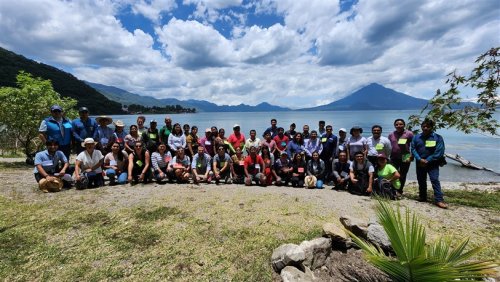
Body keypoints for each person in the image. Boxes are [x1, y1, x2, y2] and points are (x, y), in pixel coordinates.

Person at [411, 119, 447, 209]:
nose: (425, 128)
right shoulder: (416, 137)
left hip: (433, 163)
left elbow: (439, 151)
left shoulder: (438, 137)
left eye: (428, 126)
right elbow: (413, 148)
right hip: (419, 163)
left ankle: (439, 200)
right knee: (421, 180)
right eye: (423, 126)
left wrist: (428, 160)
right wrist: (419, 159)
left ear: (432, 127)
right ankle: (423, 197)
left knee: (434, 180)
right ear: (421, 127)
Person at [388, 119, 414, 194]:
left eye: (400, 124)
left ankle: (399, 190)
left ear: (404, 125)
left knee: (402, 174)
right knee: (393, 173)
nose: (398, 126)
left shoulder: (409, 133)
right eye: (397, 124)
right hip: (393, 156)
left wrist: (412, 155)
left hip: (406, 156)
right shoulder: (391, 134)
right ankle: (392, 189)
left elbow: (414, 145)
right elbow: (389, 145)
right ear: (394, 125)